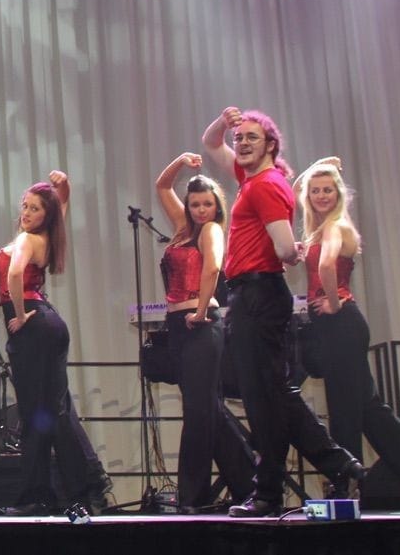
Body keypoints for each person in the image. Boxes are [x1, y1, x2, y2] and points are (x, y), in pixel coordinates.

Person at [202, 107, 361, 517]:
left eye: (251, 137)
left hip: (259, 294)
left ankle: (288, 482)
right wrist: (224, 121)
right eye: (240, 138)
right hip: (251, 296)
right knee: (267, 396)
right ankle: (320, 467)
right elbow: (210, 143)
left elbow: (286, 248)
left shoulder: (266, 186)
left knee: (267, 397)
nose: (242, 143)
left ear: (271, 144)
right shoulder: (251, 179)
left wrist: (295, 252)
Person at [296, 158, 400, 502]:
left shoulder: (337, 227)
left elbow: (326, 265)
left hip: (341, 322)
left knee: (346, 409)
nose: (321, 195)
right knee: (368, 408)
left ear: (339, 194)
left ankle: (345, 483)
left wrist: (332, 301)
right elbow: (296, 192)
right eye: (316, 191)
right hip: (337, 325)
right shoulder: (319, 227)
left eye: (328, 189)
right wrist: (318, 166)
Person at [153, 152, 255, 512]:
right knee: (207, 408)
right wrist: (180, 161)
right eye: (195, 204)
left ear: (216, 207)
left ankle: (191, 497)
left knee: (197, 414)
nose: (200, 210)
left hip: (201, 325)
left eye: (207, 204)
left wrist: (198, 310)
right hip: (178, 327)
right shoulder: (184, 229)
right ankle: (250, 480)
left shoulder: (211, 230)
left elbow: (213, 268)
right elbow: (162, 185)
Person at [0, 173, 93, 516]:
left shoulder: (28, 239)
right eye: (24, 206)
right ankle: (82, 488)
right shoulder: (47, 235)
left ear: (44, 215)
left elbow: (14, 276)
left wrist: (21, 317)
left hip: (36, 326)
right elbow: (62, 202)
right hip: (48, 326)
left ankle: (37, 495)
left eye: (34, 208)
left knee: (37, 415)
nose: (26, 212)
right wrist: (64, 184)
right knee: (54, 413)